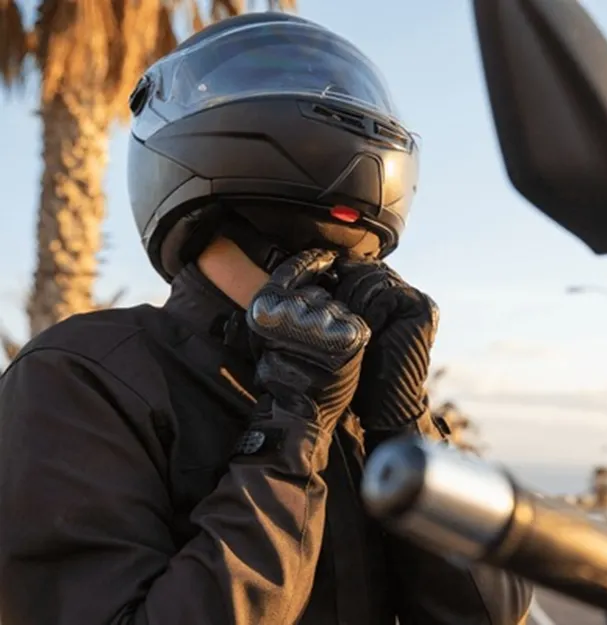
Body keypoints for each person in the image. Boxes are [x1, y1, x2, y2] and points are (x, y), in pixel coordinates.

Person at [0, 12, 533, 625]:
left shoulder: (357, 389)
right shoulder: (88, 374)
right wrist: (290, 429)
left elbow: (489, 616)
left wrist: (403, 422)